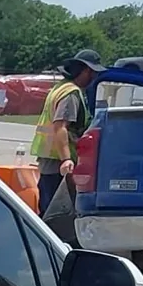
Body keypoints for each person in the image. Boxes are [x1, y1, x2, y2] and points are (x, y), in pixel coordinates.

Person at [33, 49, 102, 213]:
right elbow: (60, 126)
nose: (94, 77)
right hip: (58, 163)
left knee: (49, 207)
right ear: (86, 71)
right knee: (55, 212)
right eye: (93, 73)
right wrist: (66, 159)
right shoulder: (71, 93)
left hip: (51, 159)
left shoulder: (60, 87)